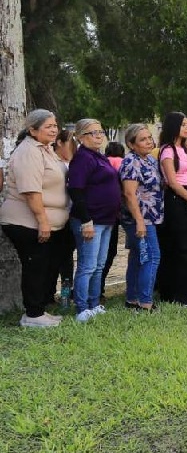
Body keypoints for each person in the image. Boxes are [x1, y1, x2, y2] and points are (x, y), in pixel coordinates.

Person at [0, 110, 69, 327]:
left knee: (42, 266)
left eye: (55, 125)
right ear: (32, 130)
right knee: (35, 266)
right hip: (26, 221)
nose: (54, 129)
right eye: (48, 126)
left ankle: (38, 310)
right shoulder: (28, 151)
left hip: (41, 221)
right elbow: (31, 191)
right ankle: (33, 315)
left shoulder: (45, 149)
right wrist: (43, 221)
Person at [67, 118, 119, 322]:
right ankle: (81, 307)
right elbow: (76, 190)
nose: (98, 136)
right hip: (90, 220)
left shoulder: (99, 156)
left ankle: (94, 303)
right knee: (87, 266)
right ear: (80, 137)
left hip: (106, 220)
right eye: (92, 133)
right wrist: (86, 220)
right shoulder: (83, 158)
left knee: (99, 265)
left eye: (100, 132)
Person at [156, 112, 187, 305]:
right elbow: (172, 182)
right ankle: (176, 295)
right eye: (183, 124)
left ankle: (185, 293)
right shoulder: (167, 151)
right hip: (176, 198)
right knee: (181, 247)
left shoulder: (186, 150)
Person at [120, 124, 163, 311]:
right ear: (131, 144)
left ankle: (133, 298)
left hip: (152, 216)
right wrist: (139, 221)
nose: (148, 142)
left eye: (149, 137)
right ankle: (146, 302)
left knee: (138, 257)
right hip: (140, 218)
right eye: (143, 139)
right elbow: (129, 194)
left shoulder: (150, 159)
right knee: (152, 256)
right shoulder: (131, 161)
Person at [51, 128, 77, 305]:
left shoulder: (73, 163)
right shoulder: (52, 162)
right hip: (54, 217)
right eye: (70, 143)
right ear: (59, 143)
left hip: (71, 216)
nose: (73, 147)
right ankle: (48, 294)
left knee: (67, 260)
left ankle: (66, 296)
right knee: (53, 260)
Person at [100, 141, 126, 301]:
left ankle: (97, 288)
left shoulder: (103, 162)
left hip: (101, 211)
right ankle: (99, 287)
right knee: (110, 251)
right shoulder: (121, 162)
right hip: (115, 211)